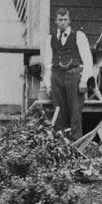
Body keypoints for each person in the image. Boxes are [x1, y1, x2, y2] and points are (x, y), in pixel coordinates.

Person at [42, 8, 93, 139]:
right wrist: (48, 84)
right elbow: (47, 64)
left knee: (75, 112)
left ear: (69, 21)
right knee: (59, 113)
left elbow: (87, 59)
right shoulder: (51, 39)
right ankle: (61, 144)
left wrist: (84, 80)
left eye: (65, 20)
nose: (63, 22)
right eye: (60, 20)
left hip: (74, 76)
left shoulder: (78, 36)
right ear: (56, 21)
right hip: (57, 77)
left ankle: (76, 144)